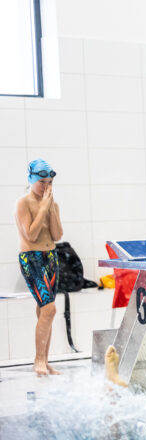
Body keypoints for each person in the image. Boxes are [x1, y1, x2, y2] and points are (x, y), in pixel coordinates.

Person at [15, 159, 63, 376]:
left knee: (45, 311)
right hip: (31, 258)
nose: (46, 186)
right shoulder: (23, 203)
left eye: (50, 182)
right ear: (32, 180)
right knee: (50, 309)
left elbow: (57, 235)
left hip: (51, 257)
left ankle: (45, 360)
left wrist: (50, 208)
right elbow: (31, 235)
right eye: (42, 182)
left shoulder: (53, 204)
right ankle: (38, 360)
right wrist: (43, 207)